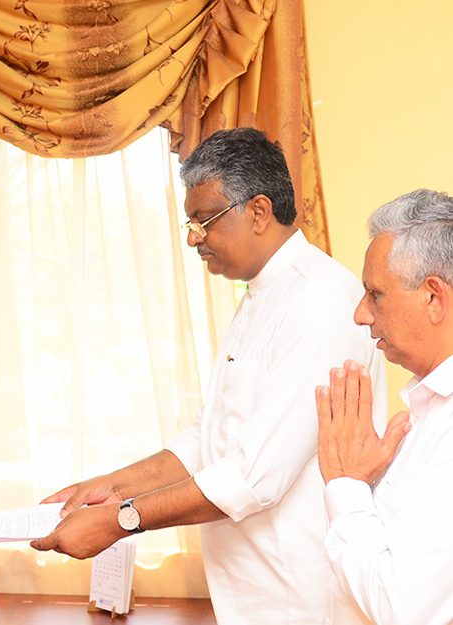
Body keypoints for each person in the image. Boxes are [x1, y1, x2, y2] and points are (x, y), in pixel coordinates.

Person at [31, 128, 386, 624]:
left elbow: (253, 476)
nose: (194, 237)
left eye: (205, 220)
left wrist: (121, 519)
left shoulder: (320, 300)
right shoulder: (262, 295)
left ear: (258, 211)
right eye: (190, 222)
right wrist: (112, 486)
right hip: (251, 597)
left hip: (303, 600)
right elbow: (210, 439)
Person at [317, 189, 453, 625]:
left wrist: (347, 483)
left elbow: (402, 609)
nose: (360, 314)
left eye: (375, 294)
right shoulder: (428, 406)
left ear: (433, 298)